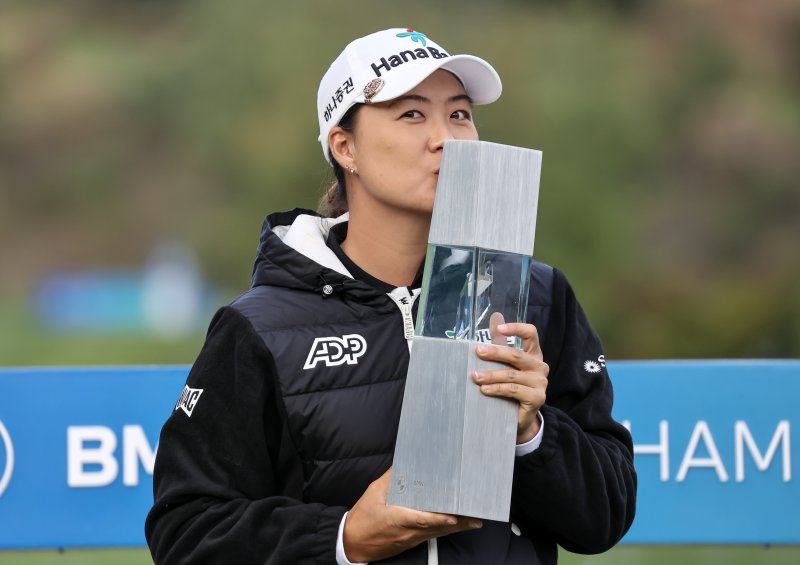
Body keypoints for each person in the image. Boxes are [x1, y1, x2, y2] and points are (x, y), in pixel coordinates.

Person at [145, 28, 636, 565]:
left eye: (459, 114)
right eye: (411, 115)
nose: (445, 138)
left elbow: (604, 517)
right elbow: (186, 533)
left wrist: (532, 434)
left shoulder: (535, 296)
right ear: (345, 146)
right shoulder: (258, 328)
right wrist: (345, 537)